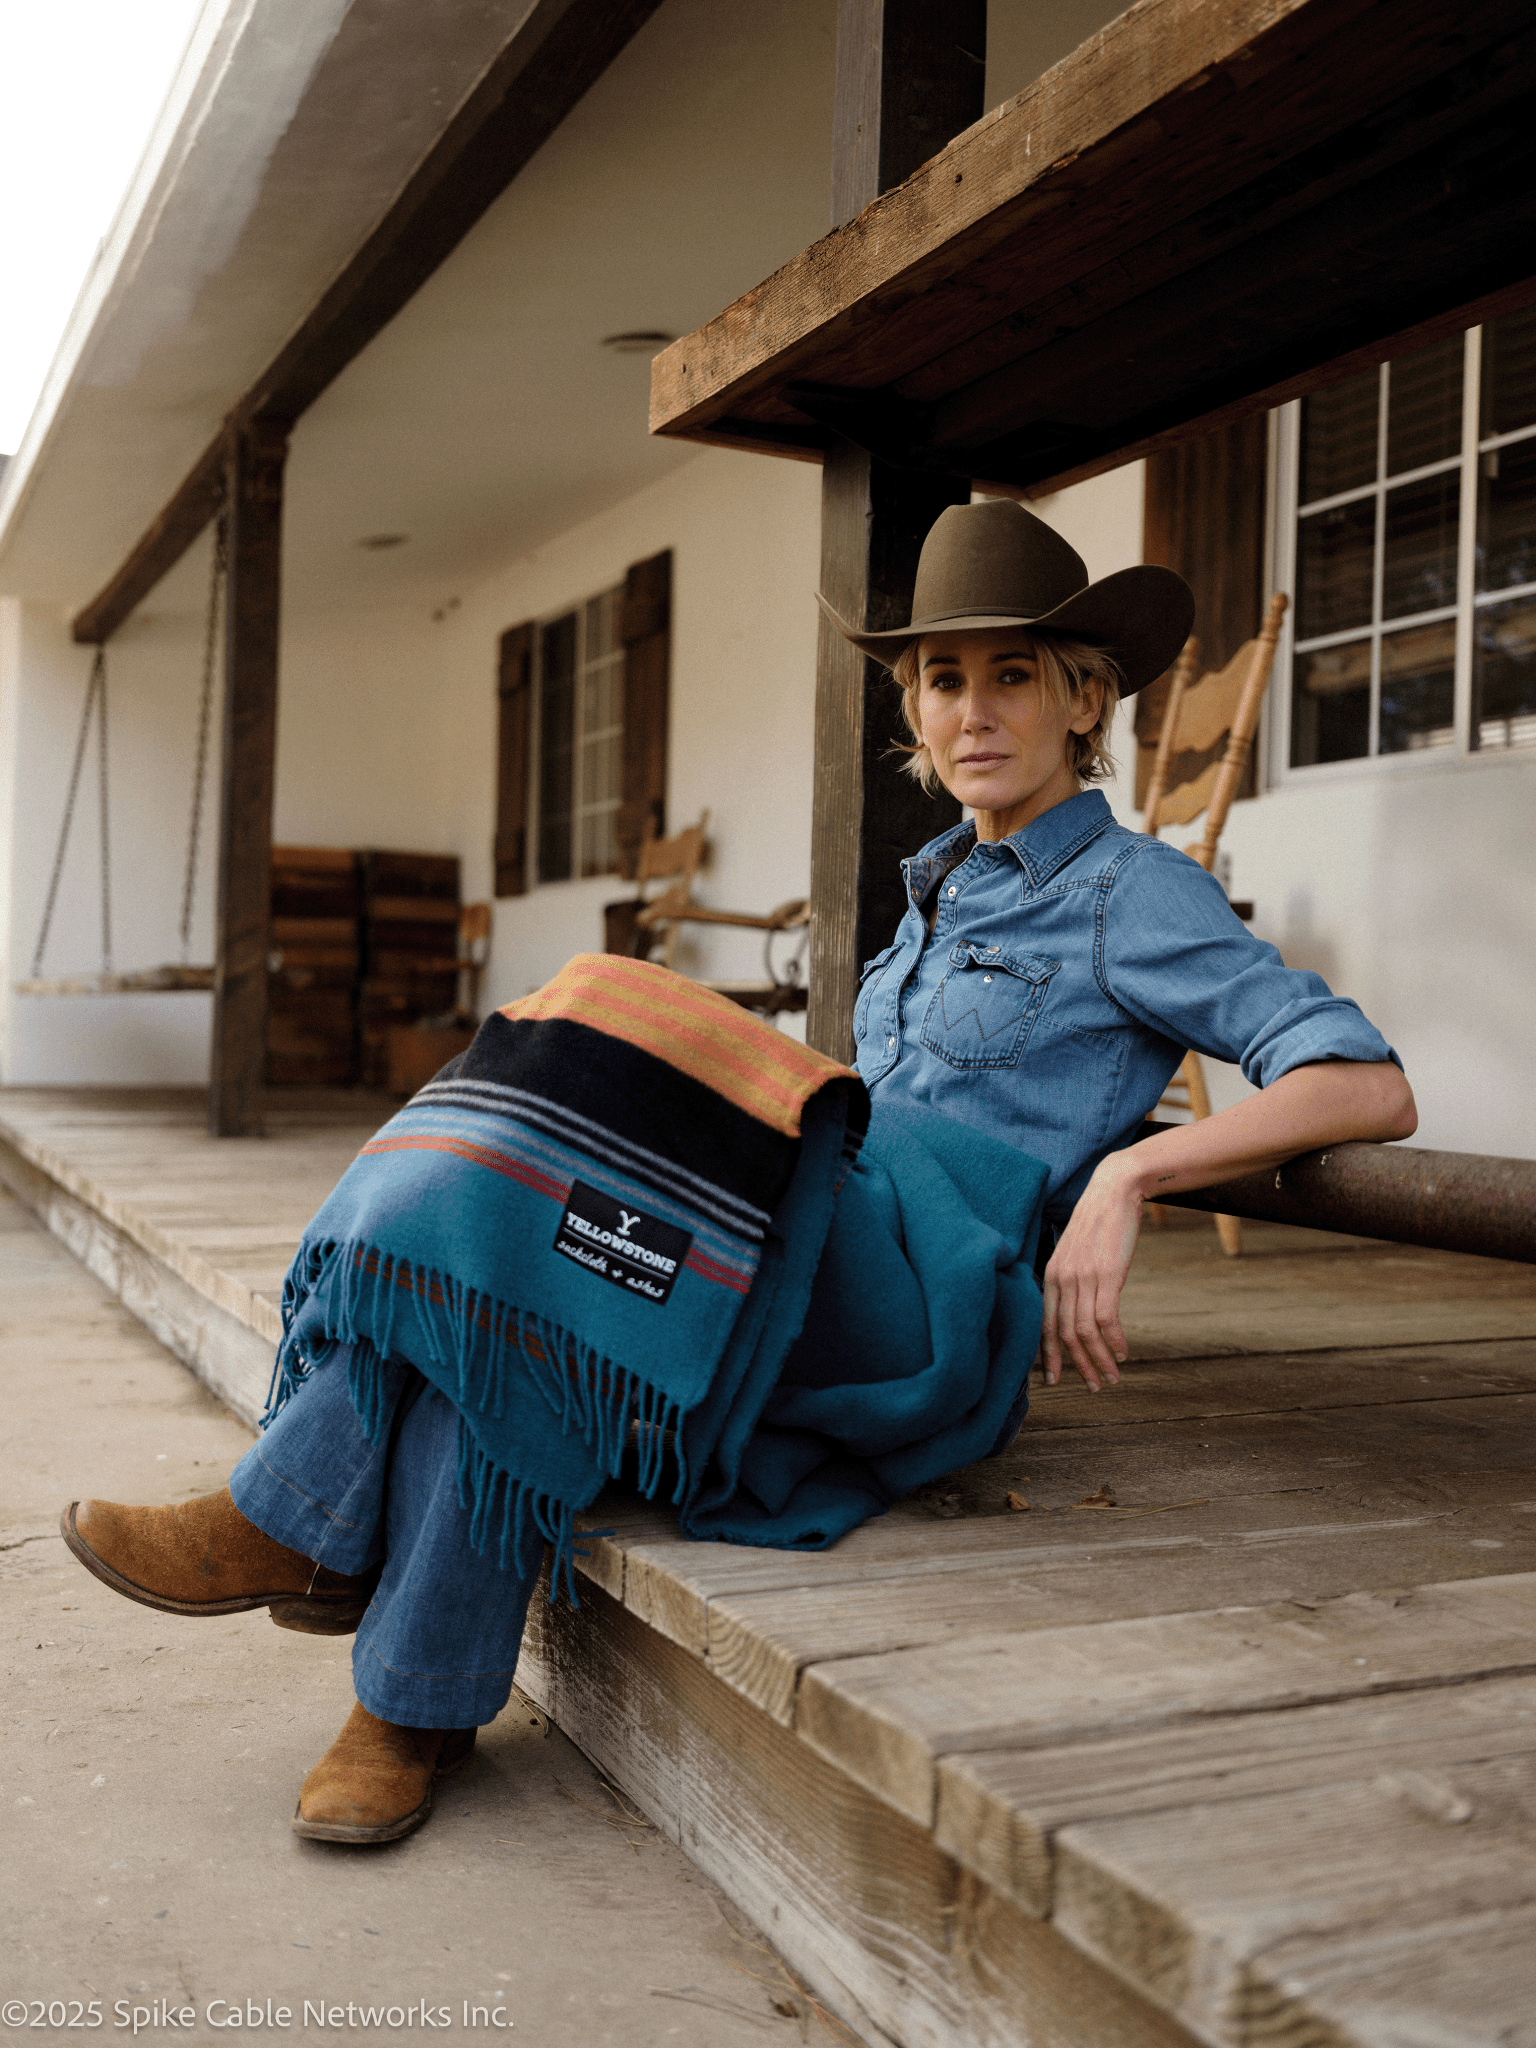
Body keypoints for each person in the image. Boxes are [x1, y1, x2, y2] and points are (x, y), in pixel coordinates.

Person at [61, 500, 1415, 1845]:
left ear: (1083, 699)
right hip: (819, 1240)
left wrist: (1131, 1181)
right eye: (945, 678)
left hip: (924, 1304)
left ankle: (297, 1528)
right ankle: (402, 1700)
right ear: (914, 706)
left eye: (1015, 674)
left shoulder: (1133, 893)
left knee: (598, 1009)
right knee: (530, 1270)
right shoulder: (936, 891)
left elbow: (1366, 1083)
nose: (976, 711)